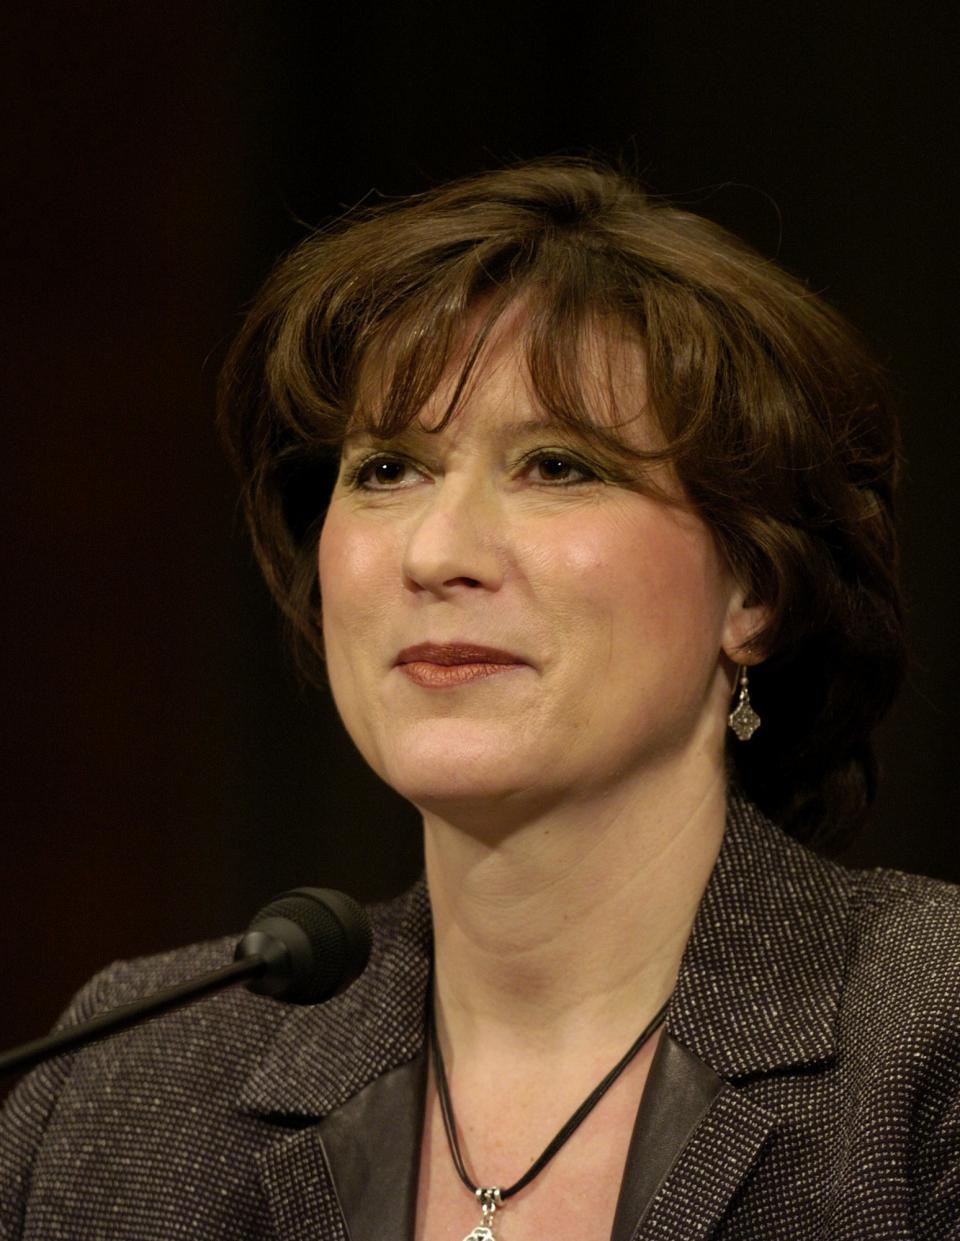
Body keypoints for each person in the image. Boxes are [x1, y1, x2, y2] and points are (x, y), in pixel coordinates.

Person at [2, 159, 958, 1241]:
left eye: (557, 465)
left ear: (757, 588)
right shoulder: (121, 1092)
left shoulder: (926, 1045)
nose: (437, 552)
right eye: (387, 469)